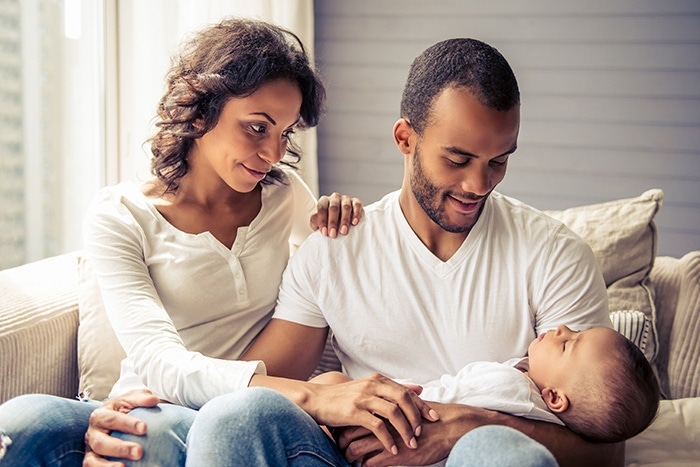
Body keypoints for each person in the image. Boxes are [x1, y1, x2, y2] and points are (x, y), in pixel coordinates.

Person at [82, 37, 627, 467]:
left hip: (484, 454)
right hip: (356, 458)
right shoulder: (335, 246)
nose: (478, 184)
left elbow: (606, 450)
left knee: (498, 453)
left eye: (499, 161)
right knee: (239, 420)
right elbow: (260, 382)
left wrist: (464, 427)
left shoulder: (555, 256)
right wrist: (145, 404)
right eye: (457, 159)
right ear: (405, 138)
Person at [0, 17, 440, 467]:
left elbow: (348, 278)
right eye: (256, 127)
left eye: (284, 132)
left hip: (231, 419)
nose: (272, 153)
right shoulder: (120, 215)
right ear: (199, 111)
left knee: (147, 437)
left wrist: (342, 218)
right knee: (20, 422)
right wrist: (312, 396)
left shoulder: (282, 194)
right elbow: (158, 361)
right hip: (151, 398)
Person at [313, 324, 660, 445]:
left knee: (331, 382)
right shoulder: (541, 415)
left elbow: (436, 403)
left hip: (386, 436)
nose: (561, 329)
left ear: (554, 397)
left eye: (568, 344)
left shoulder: (509, 386)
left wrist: (389, 387)